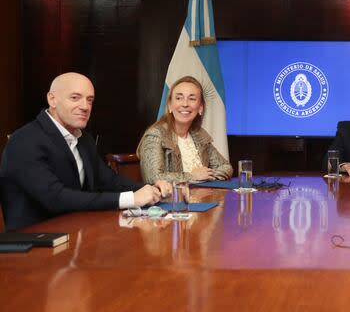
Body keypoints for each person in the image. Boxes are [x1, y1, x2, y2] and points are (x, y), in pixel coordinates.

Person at [0, 72, 167, 231]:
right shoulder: (24, 141)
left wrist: (151, 189)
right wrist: (131, 198)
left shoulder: (84, 139)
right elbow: (56, 198)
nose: (85, 107)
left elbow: (109, 181)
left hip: (77, 233)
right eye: (75, 98)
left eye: (90, 100)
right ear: (52, 99)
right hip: (33, 246)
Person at [137, 75, 232, 184]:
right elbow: (153, 178)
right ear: (170, 105)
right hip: (171, 200)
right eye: (179, 98)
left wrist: (206, 175)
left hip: (203, 198)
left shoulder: (199, 135)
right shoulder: (155, 135)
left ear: (200, 107)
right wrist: (192, 176)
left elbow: (226, 167)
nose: (185, 104)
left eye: (192, 99)